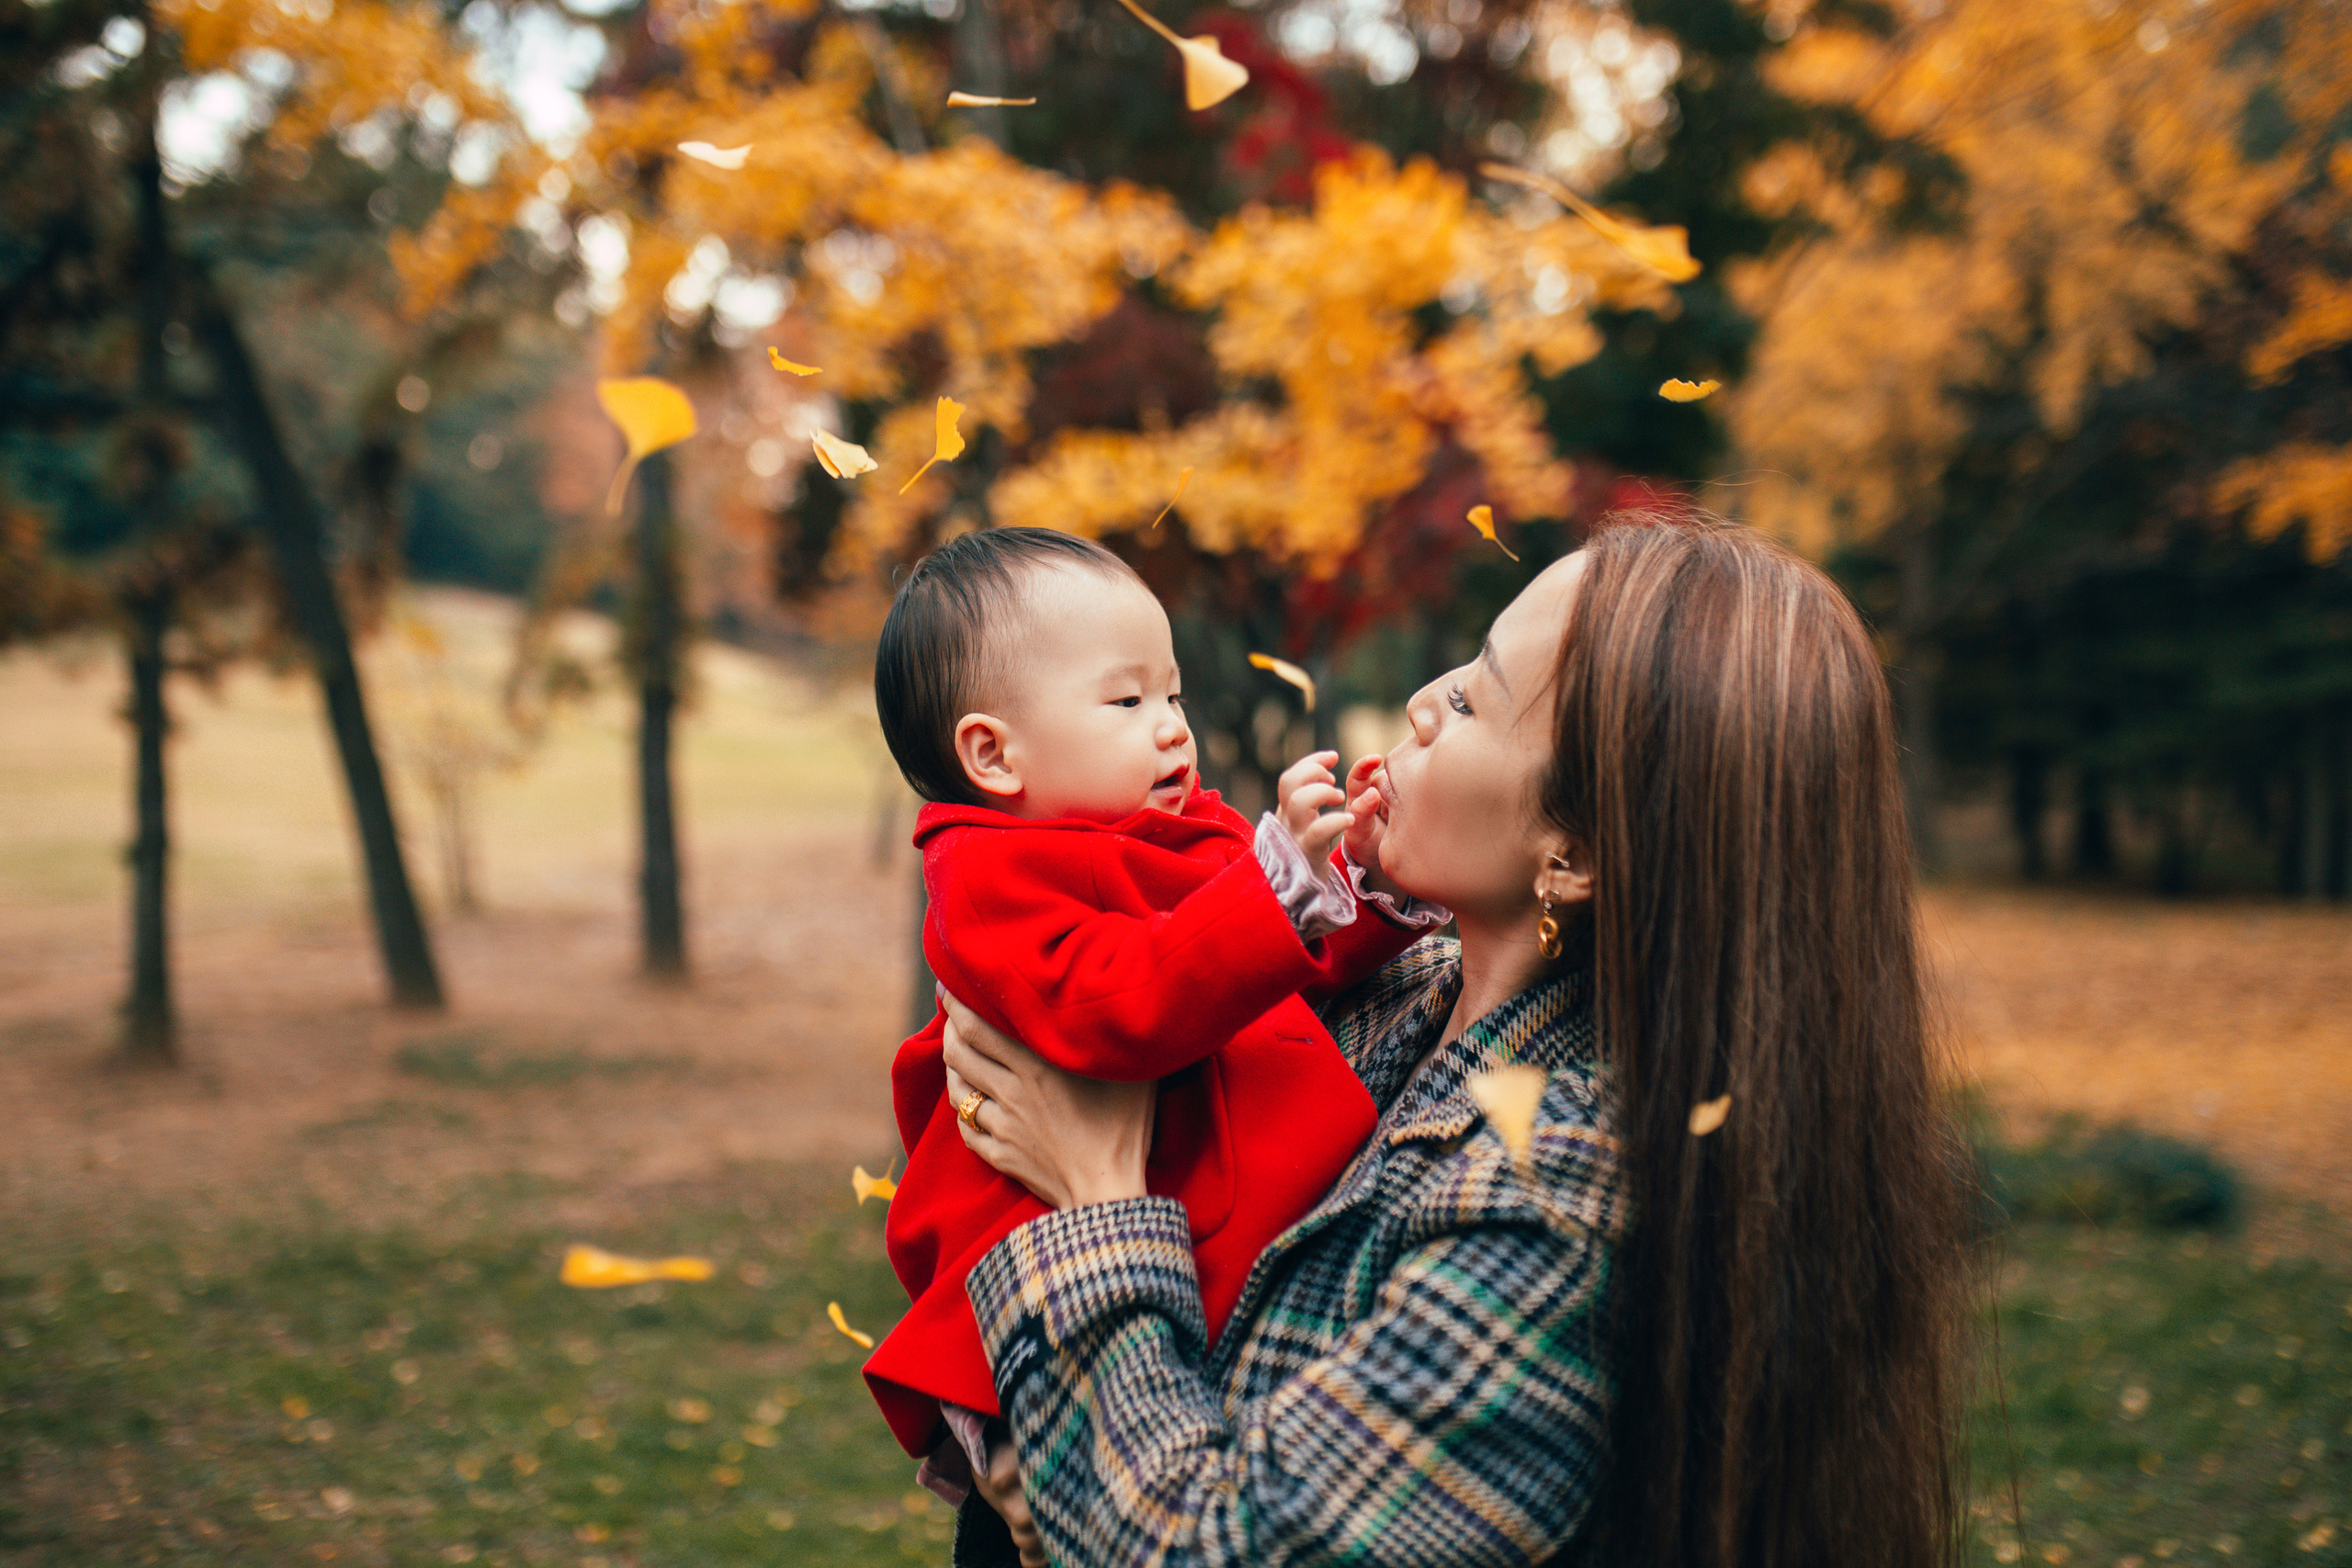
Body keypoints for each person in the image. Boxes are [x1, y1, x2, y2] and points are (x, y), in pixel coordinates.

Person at [938, 517, 1969, 1568]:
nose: (1425, 700)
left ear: (1571, 854)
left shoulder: (1558, 1195)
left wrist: (1096, 1201)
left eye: (1475, 697)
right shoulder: (1400, 996)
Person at [866, 528, 1448, 1498]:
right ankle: (1003, 1444)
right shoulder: (985, 875)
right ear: (992, 755)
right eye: (1127, 700)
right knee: (1031, 1389)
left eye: (1171, 692)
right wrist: (1272, 888)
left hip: (1198, 1180)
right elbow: (1115, 1000)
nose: (1172, 725)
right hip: (1038, 1213)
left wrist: (1359, 885)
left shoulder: (1184, 829)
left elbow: (1268, 960)